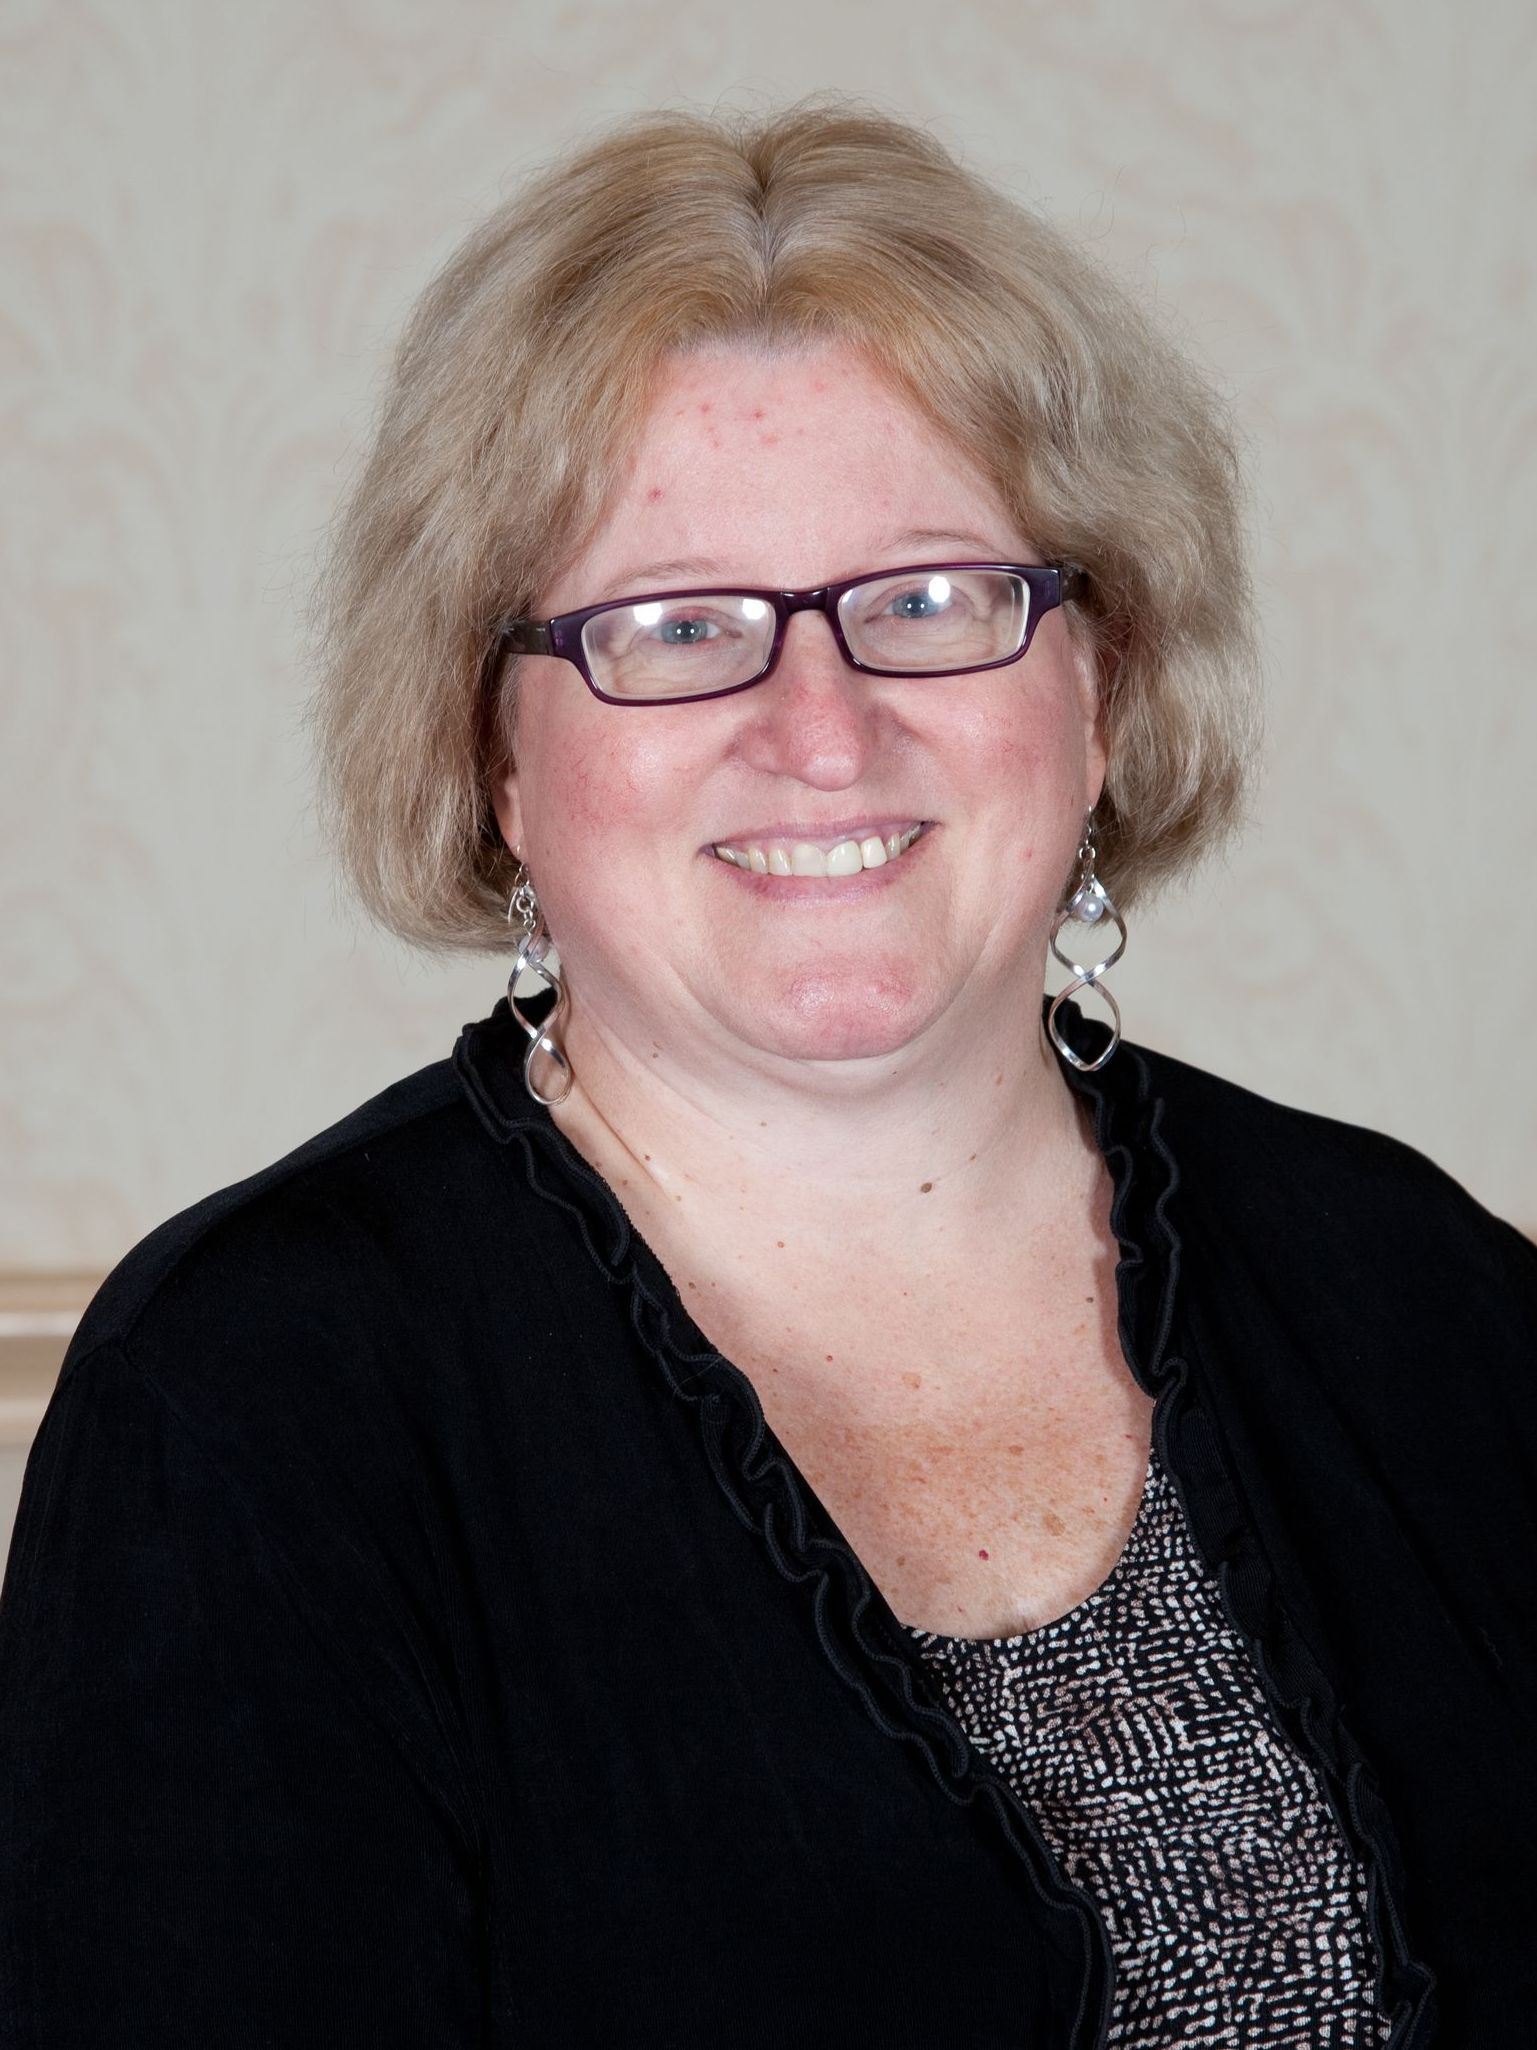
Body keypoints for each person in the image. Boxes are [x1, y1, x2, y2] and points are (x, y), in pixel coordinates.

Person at [1, 98, 1533, 2050]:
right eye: (675, 627)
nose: (821, 729)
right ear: (488, 750)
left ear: (1106, 681)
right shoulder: (255, 1399)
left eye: (927, 599)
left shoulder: (1412, 1286)